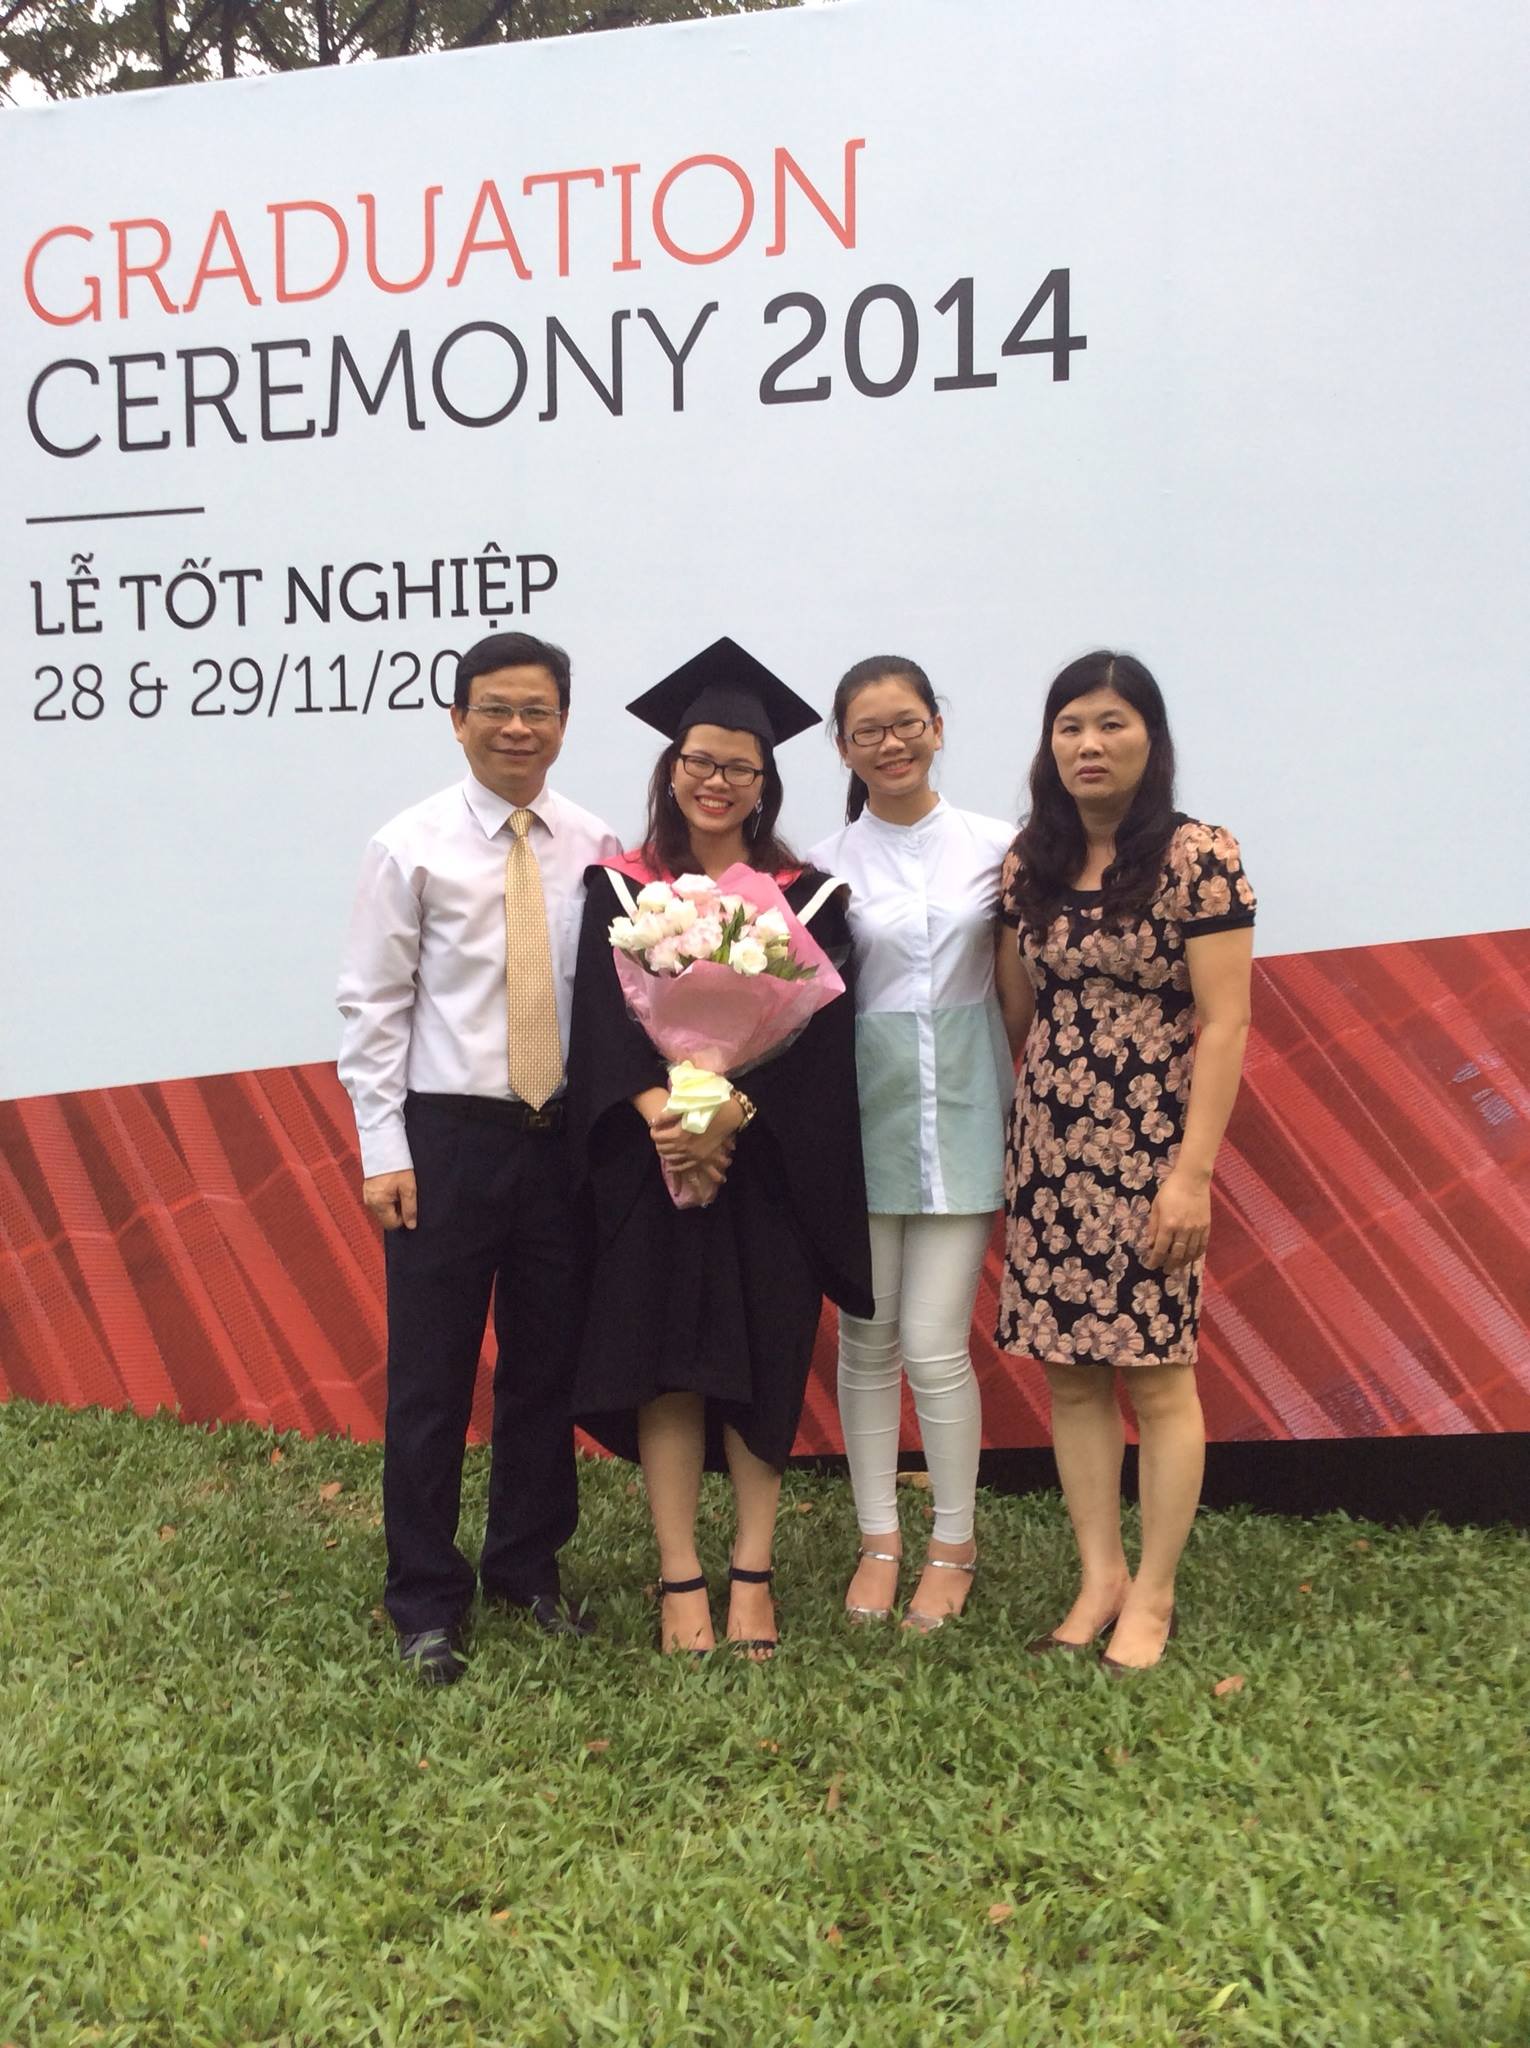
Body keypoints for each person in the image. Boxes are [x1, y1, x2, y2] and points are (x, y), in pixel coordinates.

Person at [567, 637, 874, 1658]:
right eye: (697, 760)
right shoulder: (618, 889)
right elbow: (603, 1030)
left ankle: (752, 1569)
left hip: (765, 1168)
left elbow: (821, 1035)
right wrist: (671, 1113)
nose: (714, 780)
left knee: (760, 1362)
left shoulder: (812, 897)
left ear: (765, 779)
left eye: (738, 765)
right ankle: (678, 1574)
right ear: (669, 768)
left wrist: (731, 1113)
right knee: (667, 1365)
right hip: (653, 1165)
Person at [337, 629, 622, 1684]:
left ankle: (527, 1567)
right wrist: (382, 1148)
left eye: (537, 709)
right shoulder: (407, 844)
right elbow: (373, 1007)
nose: (516, 727)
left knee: (546, 1367)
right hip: (446, 1141)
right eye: (495, 707)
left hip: (560, 1143)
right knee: (431, 1377)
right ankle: (422, 1592)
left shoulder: (595, 841)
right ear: (456, 717)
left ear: (561, 722)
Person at [994, 650, 1255, 1673]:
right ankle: (1098, 1571)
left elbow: (1227, 1023)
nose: (1088, 745)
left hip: (1154, 1141)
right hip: (1053, 1140)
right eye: (1069, 726)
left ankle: (1154, 1589)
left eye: (1110, 724)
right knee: (1069, 1373)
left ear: (1151, 736)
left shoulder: (1201, 855)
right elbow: (1021, 1006)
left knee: (1155, 1373)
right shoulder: (1031, 859)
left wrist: (1191, 1173)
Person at [810, 657, 1016, 1631]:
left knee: (936, 1344)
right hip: (860, 1121)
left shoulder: (998, 848)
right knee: (866, 1339)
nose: (889, 743)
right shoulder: (819, 868)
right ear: (841, 746)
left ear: (938, 724)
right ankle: (879, 1537)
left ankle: (953, 1541)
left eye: (906, 722)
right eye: (867, 730)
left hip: (970, 1109)